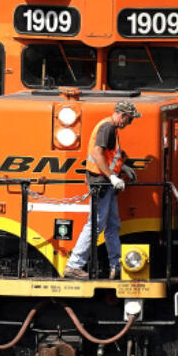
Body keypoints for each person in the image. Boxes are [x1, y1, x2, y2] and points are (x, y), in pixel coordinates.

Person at [64, 100, 141, 279]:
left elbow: (109, 157)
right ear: (122, 115)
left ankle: (116, 266)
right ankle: (73, 265)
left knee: (113, 225)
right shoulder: (107, 128)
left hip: (106, 183)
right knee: (95, 225)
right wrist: (112, 176)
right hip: (102, 183)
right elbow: (98, 154)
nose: (129, 124)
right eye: (129, 120)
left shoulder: (110, 128)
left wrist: (121, 169)